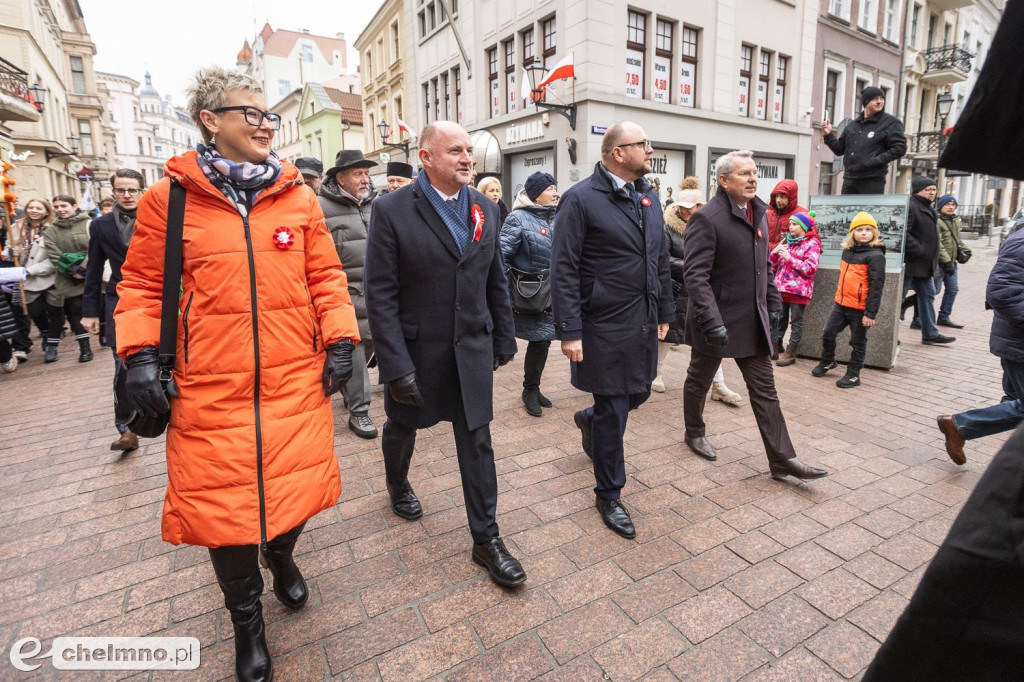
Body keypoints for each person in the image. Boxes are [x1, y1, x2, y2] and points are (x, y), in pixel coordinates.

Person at [115, 66, 359, 682]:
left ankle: (282, 555)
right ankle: (246, 623)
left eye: (268, 115)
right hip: (209, 385)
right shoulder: (167, 198)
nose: (264, 124)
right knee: (223, 509)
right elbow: (142, 285)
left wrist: (339, 338)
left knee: (295, 490)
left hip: (292, 377)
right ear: (210, 120)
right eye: (249, 113)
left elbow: (325, 276)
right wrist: (139, 356)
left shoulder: (297, 195)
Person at [365, 121, 525, 588]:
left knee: (477, 440)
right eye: (455, 150)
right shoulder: (392, 210)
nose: (467, 159)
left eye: (469, 151)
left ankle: (486, 539)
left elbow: (495, 275)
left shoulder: (484, 207)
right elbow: (381, 294)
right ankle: (397, 481)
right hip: (419, 351)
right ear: (426, 157)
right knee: (403, 427)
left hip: (471, 347)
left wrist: (503, 335)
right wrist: (395, 365)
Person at [551, 120, 675, 539]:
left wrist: (664, 312)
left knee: (637, 392)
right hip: (601, 321)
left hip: (642, 318)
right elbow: (563, 267)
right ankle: (609, 493)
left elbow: (658, 258)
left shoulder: (648, 196)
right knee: (616, 404)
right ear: (617, 153)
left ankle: (591, 420)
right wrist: (569, 329)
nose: (651, 149)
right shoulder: (580, 199)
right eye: (643, 143)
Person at [682, 150, 826, 481]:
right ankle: (694, 431)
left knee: (765, 389)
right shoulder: (707, 217)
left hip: (751, 321)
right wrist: (712, 320)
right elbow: (696, 277)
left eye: (755, 172)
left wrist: (773, 303)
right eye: (744, 173)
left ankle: (781, 458)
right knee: (699, 379)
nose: (753, 179)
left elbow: (764, 266)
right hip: (714, 321)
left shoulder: (758, 212)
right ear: (723, 180)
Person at [936, 226, 1024, 465]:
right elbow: (1003, 292)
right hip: (1018, 343)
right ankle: (960, 425)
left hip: (1015, 342)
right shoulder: (1022, 241)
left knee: (1014, 402)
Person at [653, 177, 744, 405]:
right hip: (677, 290)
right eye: (682, 208)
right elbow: (662, 259)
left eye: (690, 208)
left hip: (703, 292)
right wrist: (693, 267)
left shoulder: (710, 226)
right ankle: (656, 373)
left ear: (700, 207)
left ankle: (718, 385)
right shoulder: (668, 229)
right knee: (667, 335)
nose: (685, 212)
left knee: (711, 337)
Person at [81, 169, 146, 453]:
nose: (127, 195)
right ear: (113, 192)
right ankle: (127, 430)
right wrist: (89, 311)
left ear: (142, 190)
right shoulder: (101, 225)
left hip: (158, 299)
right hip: (119, 301)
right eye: (121, 190)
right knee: (122, 366)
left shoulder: (161, 217)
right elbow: (93, 270)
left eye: (132, 189)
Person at [318, 149, 379, 439]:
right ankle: (359, 412)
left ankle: (348, 386)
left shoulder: (377, 204)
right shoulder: (320, 207)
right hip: (344, 294)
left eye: (367, 173)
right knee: (354, 352)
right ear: (340, 177)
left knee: (368, 348)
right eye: (358, 173)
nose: (365, 179)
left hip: (376, 292)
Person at [500, 171, 558, 416]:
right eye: (550, 189)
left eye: (556, 187)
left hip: (551, 294)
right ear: (536, 196)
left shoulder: (557, 217)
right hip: (528, 294)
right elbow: (501, 256)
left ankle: (532, 388)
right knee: (538, 340)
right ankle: (529, 390)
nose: (556, 192)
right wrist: (504, 292)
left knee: (542, 341)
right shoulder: (517, 218)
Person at [811, 212, 885, 388]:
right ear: (853, 233)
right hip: (841, 304)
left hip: (860, 308)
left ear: (874, 232)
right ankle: (828, 360)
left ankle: (853, 374)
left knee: (857, 342)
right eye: (860, 229)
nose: (864, 233)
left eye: (868, 229)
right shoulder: (847, 251)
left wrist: (870, 313)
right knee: (828, 333)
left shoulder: (876, 256)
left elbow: (877, 287)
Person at [821, 86, 907, 195]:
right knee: (847, 211)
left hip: (872, 179)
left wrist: (874, 161)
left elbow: (900, 148)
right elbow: (839, 150)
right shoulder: (853, 125)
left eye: (881, 98)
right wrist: (828, 134)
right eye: (875, 99)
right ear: (866, 101)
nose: (879, 101)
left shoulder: (891, 122)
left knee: (868, 212)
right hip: (850, 179)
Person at [5, 198, 59, 362]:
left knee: (55, 310)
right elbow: (8, 249)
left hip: (51, 276)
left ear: (46, 211)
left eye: (38, 208)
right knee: (35, 312)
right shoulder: (15, 227)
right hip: (27, 279)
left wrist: (30, 270)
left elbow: (54, 256)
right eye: (31, 207)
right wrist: (10, 252)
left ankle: (52, 344)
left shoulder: (53, 228)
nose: (34, 210)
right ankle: (45, 332)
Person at [903, 176, 956, 345]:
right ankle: (885, 335)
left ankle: (930, 333)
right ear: (918, 190)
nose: (932, 193)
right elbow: (905, 232)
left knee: (928, 296)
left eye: (934, 190)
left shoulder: (929, 208)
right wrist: (919, 249)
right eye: (928, 189)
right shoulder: (911, 206)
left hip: (925, 266)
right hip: (912, 263)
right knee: (899, 299)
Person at [770, 211, 822, 367]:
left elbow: (810, 268)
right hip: (781, 288)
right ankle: (775, 345)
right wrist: (774, 252)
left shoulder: (812, 244)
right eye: (790, 224)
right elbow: (773, 264)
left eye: (794, 224)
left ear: (803, 226)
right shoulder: (788, 241)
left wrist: (789, 258)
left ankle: (791, 352)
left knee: (796, 322)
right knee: (779, 319)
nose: (790, 227)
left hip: (799, 291)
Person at [45, 194, 92, 363]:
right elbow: (53, 254)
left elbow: (94, 247)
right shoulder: (50, 231)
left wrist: (84, 269)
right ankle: (84, 347)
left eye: (64, 206)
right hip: (66, 277)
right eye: (56, 207)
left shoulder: (88, 224)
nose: (60, 210)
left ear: (74, 205)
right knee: (75, 311)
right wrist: (72, 270)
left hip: (92, 274)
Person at [934, 194, 966, 329]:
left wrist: (966, 250)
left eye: (953, 205)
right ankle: (909, 308)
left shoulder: (956, 220)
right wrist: (946, 262)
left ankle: (944, 317)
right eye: (948, 204)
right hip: (939, 263)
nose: (951, 207)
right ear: (941, 206)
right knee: (934, 291)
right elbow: (938, 244)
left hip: (952, 263)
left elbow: (957, 240)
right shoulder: (937, 220)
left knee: (953, 289)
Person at [764, 179, 806, 251]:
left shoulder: (801, 215)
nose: (778, 200)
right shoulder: (769, 213)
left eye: (782, 197)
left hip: (788, 258)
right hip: (767, 257)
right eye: (777, 196)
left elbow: (812, 240)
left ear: (791, 198)